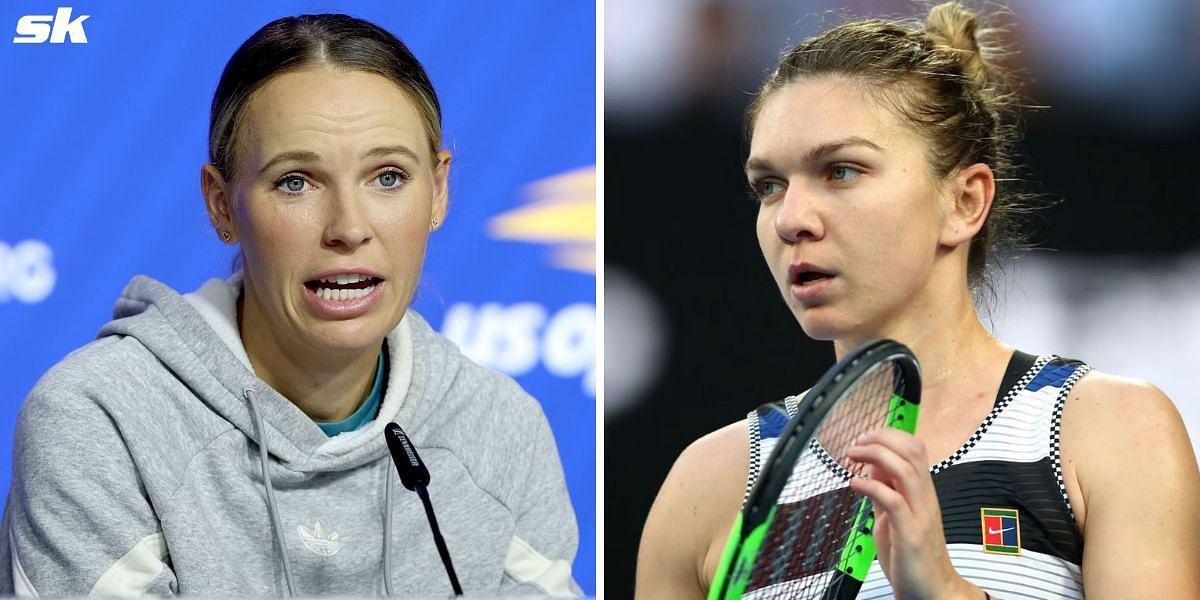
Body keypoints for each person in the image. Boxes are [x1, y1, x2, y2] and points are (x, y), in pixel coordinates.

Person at [0, 14, 580, 597]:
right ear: (221, 205)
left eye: (387, 177)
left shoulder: (504, 427)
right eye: (296, 181)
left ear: (439, 190)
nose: (349, 228)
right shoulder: (99, 418)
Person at [636, 3, 1200, 598]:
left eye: (842, 171)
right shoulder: (704, 488)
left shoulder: (1110, 429)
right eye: (769, 186)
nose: (791, 220)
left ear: (964, 202)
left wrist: (944, 589)